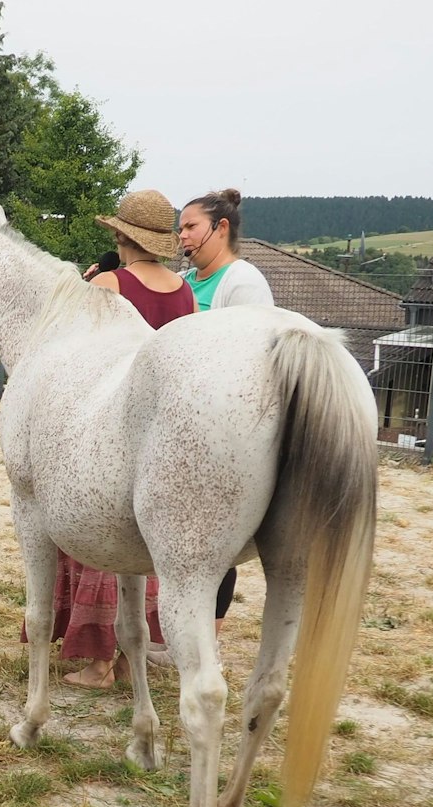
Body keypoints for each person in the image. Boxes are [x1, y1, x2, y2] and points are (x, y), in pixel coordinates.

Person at [41, 189, 196, 688]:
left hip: (111, 420)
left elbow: (78, 348)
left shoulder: (110, 282)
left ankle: (98, 661)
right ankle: (134, 657)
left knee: (98, 545)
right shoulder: (183, 289)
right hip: (162, 429)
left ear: (120, 235)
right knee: (146, 549)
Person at [179, 187, 276, 627]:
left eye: (190, 227)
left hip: (223, 425)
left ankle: (209, 634)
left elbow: (252, 358)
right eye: (179, 228)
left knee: (217, 538)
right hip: (183, 419)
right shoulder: (186, 282)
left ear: (221, 228)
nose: (182, 236)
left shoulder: (244, 282)